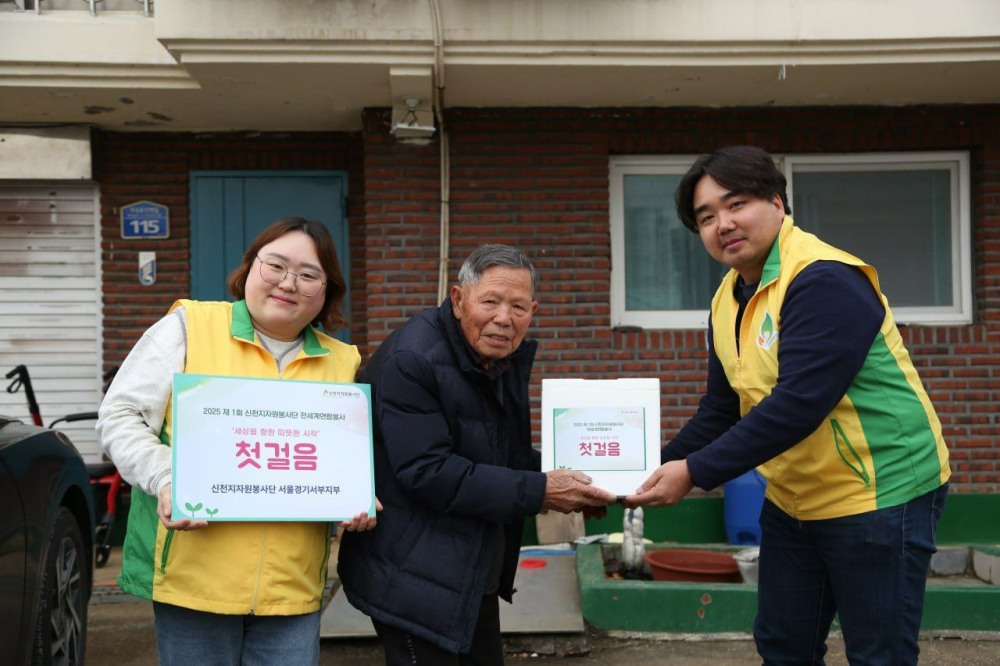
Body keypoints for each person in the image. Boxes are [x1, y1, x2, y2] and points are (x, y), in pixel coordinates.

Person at [624, 146, 951, 665]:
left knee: (878, 654)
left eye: (736, 204)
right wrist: (639, 472)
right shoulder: (729, 296)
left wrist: (693, 472)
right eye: (706, 217)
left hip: (878, 493)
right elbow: (721, 407)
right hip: (794, 497)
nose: (722, 224)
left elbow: (798, 405)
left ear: (777, 202)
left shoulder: (824, 279)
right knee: (783, 646)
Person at [97, 217, 378, 665]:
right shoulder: (189, 327)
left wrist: (358, 493)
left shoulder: (343, 362)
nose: (289, 283)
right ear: (249, 268)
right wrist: (169, 477)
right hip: (195, 582)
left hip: (292, 590)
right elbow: (119, 416)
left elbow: (342, 457)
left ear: (327, 291)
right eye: (276, 266)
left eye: (308, 275)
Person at [337, 244, 615, 665]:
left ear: (533, 310)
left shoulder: (493, 358)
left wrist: (581, 483)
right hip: (413, 574)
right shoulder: (413, 358)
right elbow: (428, 471)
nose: (504, 318)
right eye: (491, 302)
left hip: (466, 567)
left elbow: (498, 454)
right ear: (458, 298)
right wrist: (541, 490)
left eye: (519, 306)